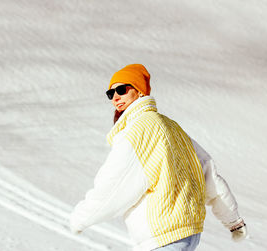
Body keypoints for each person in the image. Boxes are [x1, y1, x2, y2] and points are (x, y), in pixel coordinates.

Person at [69, 64, 247, 251]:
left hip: (164, 237)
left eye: (121, 89)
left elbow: (113, 184)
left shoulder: (139, 129)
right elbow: (210, 176)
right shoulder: (170, 126)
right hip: (188, 234)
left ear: (139, 91)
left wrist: (80, 219)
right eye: (110, 93)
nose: (115, 97)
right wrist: (233, 221)